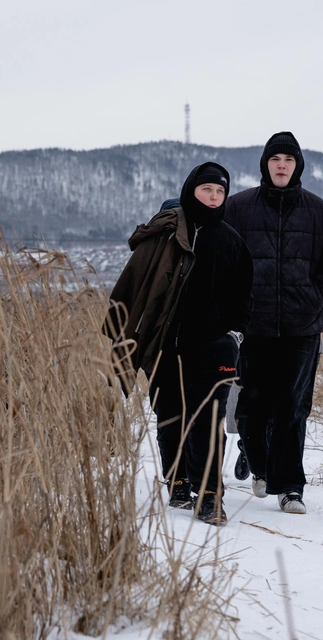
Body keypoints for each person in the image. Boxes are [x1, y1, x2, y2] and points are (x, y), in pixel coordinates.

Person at [105, 163, 253, 526]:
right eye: (207, 190)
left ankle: (210, 495)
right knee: (170, 415)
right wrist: (125, 334)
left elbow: (246, 295)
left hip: (215, 346)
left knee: (209, 419)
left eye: (219, 192)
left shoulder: (232, 240)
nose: (214, 197)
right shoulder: (166, 236)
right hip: (167, 345)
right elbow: (135, 286)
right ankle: (178, 481)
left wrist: (234, 333)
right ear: (191, 191)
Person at [225, 131, 323, 514]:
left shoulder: (319, 211)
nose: (282, 166)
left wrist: (315, 300)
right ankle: (260, 466)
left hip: (301, 327)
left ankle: (290, 486)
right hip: (253, 327)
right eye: (276, 159)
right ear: (266, 164)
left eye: (289, 160)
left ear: (297, 166)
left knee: (293, 407)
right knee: (252, 406)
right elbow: (223, 259)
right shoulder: (238, 208)